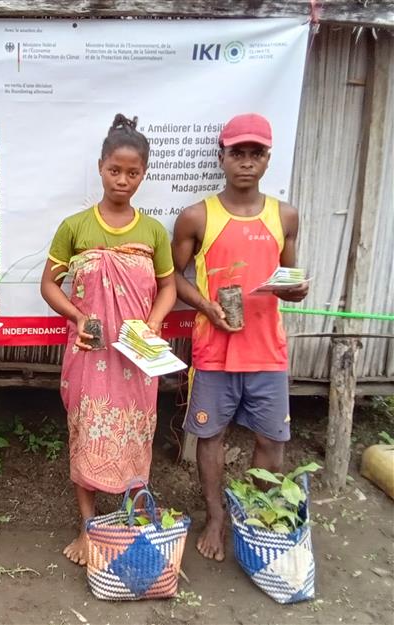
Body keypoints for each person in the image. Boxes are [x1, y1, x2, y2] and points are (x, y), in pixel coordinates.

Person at [40, 114, 177, 566]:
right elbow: (49, 286)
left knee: (136, 436)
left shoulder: (154, 231)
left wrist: (155, 321)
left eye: (133, 172)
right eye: (115, 170)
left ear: (144, 174)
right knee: (86, 435)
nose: (123, 180)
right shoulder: (75, 227)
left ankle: (127, 524)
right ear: (100, 167)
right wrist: (77, 316)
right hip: (88, 351)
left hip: (136, 356)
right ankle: (86, 529)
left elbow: (169, 287)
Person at [171, 113, 308, 562]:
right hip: (214, 351)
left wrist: (296, 287)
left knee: (272, 441)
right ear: (222, 157)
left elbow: (289, 277)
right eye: (238, 153)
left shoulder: (284, 215)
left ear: (268, 159)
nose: (246, 163)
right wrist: (207, 306)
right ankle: (216, 517)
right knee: (210, 439)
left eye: (256, 154)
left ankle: (252, 513)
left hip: (268, 351)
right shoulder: (197, 216)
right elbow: (174, 276)